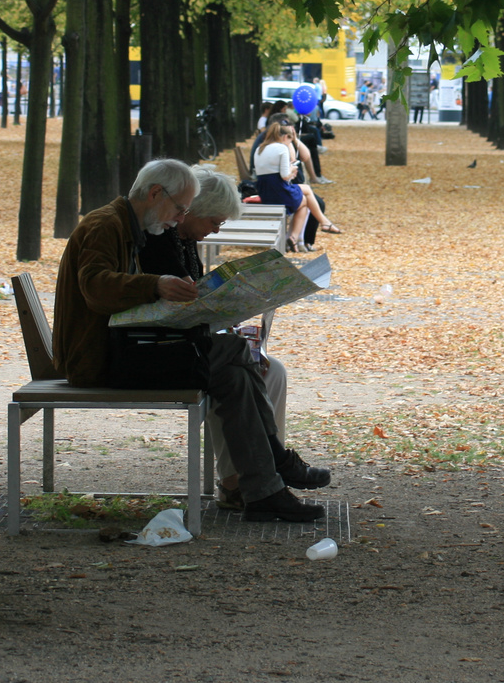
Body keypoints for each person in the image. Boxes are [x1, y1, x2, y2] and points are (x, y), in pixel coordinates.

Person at [50, 159, 329, 523]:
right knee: (234, 350)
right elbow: (95, 288)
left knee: (234, 375)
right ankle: (275, 462)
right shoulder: (106, 225)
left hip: (123, 351)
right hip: (100, 359)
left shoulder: (128, 225)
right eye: (180, 209)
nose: (180, 219)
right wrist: (154, 285)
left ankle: (264, 492)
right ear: (155, 194)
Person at [139, 169, 300, 512]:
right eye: (214, 220)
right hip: (162, 349)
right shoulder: (158, 238)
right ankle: (249, 476)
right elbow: (174, 304)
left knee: (273, 371)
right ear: (191, 211)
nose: (217, 229)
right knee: (236, 369)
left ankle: (253, 476)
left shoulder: (183, 240)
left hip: (185, 342)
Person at [253, 121, 341, 252]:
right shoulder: (281, 148)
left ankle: (294, 239)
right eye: (289, 140)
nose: (289, 144)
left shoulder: (260, 149)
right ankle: (324, 222)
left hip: (265, 191)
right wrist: (292, 170)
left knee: (304, 201)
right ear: (284, 137)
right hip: (278, 190)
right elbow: (284, 175)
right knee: (306, 190)